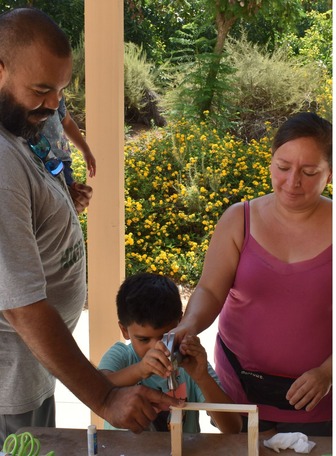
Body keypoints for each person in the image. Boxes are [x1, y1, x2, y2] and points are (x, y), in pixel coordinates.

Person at [0, 8, 178, 444]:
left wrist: (63, 203)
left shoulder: (16, 131)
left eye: (59, 91)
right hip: (9, 383)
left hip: (30, 370)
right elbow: (22, 306)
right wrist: (103, 397)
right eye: (41, 90)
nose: (53, 105)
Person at [174, 112, 332, 435]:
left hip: (319, 399)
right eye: (283, 167)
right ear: (270, 162)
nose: (292, 182)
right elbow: (210, 291)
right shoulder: (238, 219)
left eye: (309, 172)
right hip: (240, 387)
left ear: (329, 174)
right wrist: (189, 324)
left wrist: (329, 372)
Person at [99, 273, 242, 434]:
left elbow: (233, 428)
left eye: (165, 336)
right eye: (144, 340)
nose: (156, 347)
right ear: (124, 330)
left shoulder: (190, 361)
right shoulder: (122, 356)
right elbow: (95, 389)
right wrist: (140, 370)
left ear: (180, 323)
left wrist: (202, 378)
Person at [42, 96, 96, 186]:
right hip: (36, 162)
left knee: (70, 196)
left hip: (61, 161)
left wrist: (86, 151)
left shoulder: (57, 96)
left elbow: (67, 122)